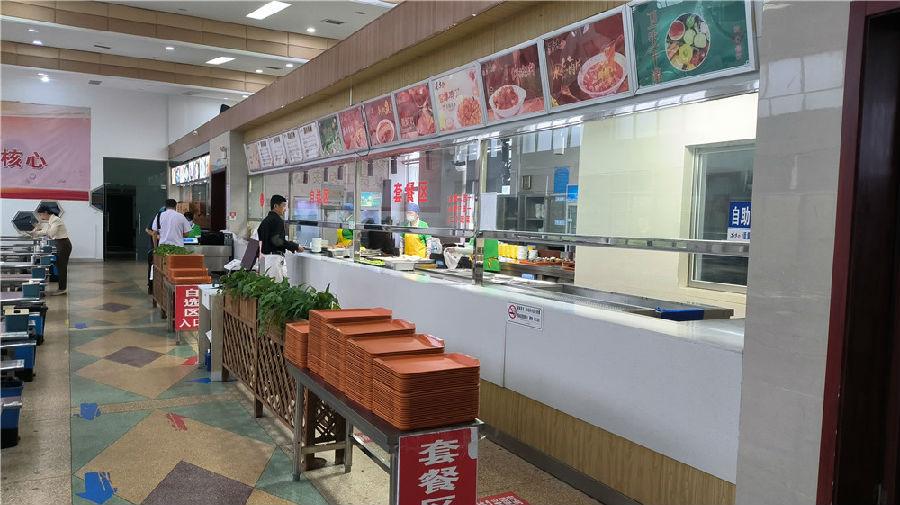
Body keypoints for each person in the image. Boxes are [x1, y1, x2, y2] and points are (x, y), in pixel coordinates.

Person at [257, 194, 302, 281]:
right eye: (283, 205)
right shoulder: (277, 220)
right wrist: (295, 246)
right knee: (276, 286)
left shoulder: (265, 221)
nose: (285, 209)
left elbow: (260, 240)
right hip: (273, 259)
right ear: (275, 206)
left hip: (263, 259)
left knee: (263, 286)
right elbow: (277, 241)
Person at [31, 205, 71, 296]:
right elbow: (48, 231)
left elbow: (51, 233)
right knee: (59, 266)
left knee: (62, 267)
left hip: (63, 244)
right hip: (60, 243)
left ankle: (62, 289)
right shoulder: (51, 220)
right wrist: (37, 230)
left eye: (41, 214)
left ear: (45, 212)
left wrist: (37, 233)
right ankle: (61, 287)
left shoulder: (55, 220)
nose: (41, 217)